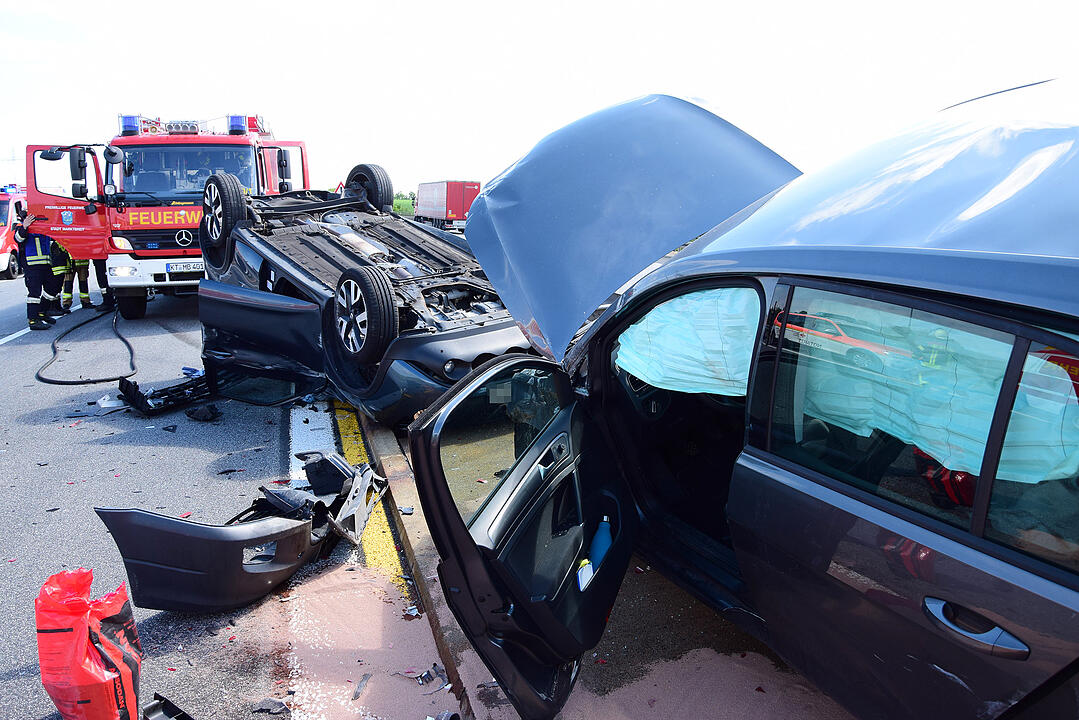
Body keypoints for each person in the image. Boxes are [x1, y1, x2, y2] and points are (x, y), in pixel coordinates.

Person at [12, 205, 59, 330]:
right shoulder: (22, 226)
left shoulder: (43, 225)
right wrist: (25, 226)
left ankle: (41, 312)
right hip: (32, 266)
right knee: (34, 293)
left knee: (52, 288)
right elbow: (18, 239)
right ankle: (33, 320)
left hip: (46, 264)